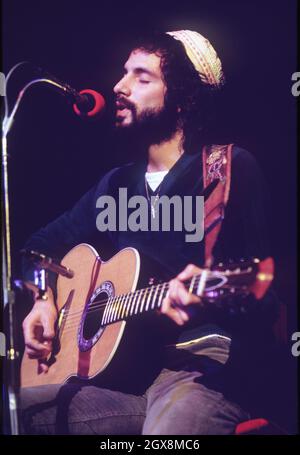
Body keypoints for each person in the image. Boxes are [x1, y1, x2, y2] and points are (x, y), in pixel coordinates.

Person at [20, 30, 278, 435]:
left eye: (142, 77)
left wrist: (211, 299)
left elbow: (265, 291)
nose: (119, 88)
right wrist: (42, 298)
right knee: (22, 411)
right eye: (124, 74)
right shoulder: (115, 185)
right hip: (121, 379)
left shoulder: (227, 171)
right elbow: (36, 250)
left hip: (199, 374)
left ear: (181, 96)